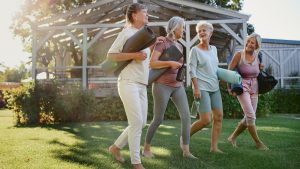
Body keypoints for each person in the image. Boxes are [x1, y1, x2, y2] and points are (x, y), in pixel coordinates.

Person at [107, 3, 164, 169]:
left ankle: (115, 147)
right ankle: (136, 163)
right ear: (134, 15)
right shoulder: (127, 32)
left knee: (141, 123)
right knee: (137, 123)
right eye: (144, 13)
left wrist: (154, 44)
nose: (147, 15)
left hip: (141, 83)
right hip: (128, 82)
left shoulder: (143, 35)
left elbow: (144, 58)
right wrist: (135, 55)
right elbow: (111, 56)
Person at [142, 16, 197, 159]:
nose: (184, 30)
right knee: (158, 119)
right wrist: (170, 63)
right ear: (175, 28)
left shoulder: (179, 45)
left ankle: (186, 151)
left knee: (186, 117)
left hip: (177, 85)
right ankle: (146, 148)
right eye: (182, 27)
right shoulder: (162, 43)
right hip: (162, 85)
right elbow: (152, 64)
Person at [227, 33, 269, 150]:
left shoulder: (258, 55)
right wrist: (229, 88)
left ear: (256, 46)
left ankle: (232, 137)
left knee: (249, 117)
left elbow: (257, 72)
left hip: (255, 87)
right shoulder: (239, 55)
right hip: (242, 87)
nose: (249, 44)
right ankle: (258, 143)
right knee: (251, 116)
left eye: (252, 43)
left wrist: (260, 68)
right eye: (249, 41)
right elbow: (229, 71)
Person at [188, 21, 224, 153]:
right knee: (205, 120)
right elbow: (192, 70)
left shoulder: (214, 49)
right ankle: (185, 137)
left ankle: (214, 148)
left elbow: (214, 67)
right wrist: (196, 88)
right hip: (201, 87)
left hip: (215, 87)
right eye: (199, 31)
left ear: (210, 32)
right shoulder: (195, 50)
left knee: (219, 117)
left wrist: (222, 77)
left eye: (204, 30)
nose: (202, 33)